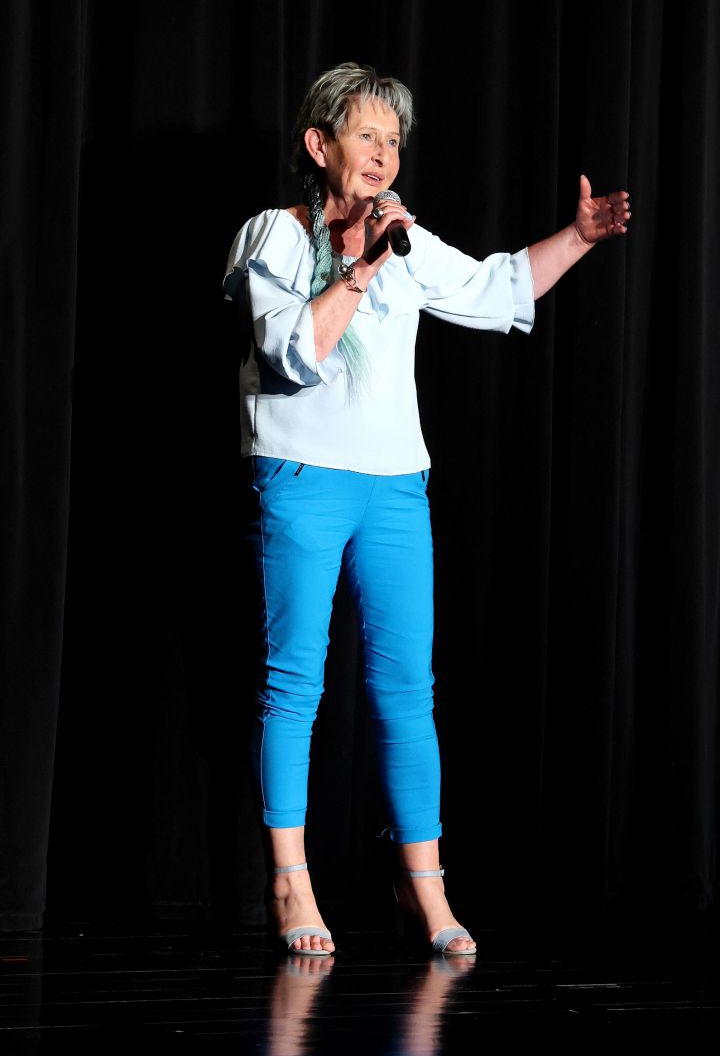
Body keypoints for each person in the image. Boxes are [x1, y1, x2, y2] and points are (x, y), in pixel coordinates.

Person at [223, 62, 629, 958]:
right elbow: (293, 353)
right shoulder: (272, 236)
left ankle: (424, 887)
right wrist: (365, 263)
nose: (384, 154)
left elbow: (494, 287)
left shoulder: (402, 239)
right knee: (295, 684)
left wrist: (578, 237)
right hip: (300, 476)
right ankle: (289, 880)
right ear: (318, 144)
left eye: (394, 140)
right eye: (366, 135)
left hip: (396, 487)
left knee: (408, 689)